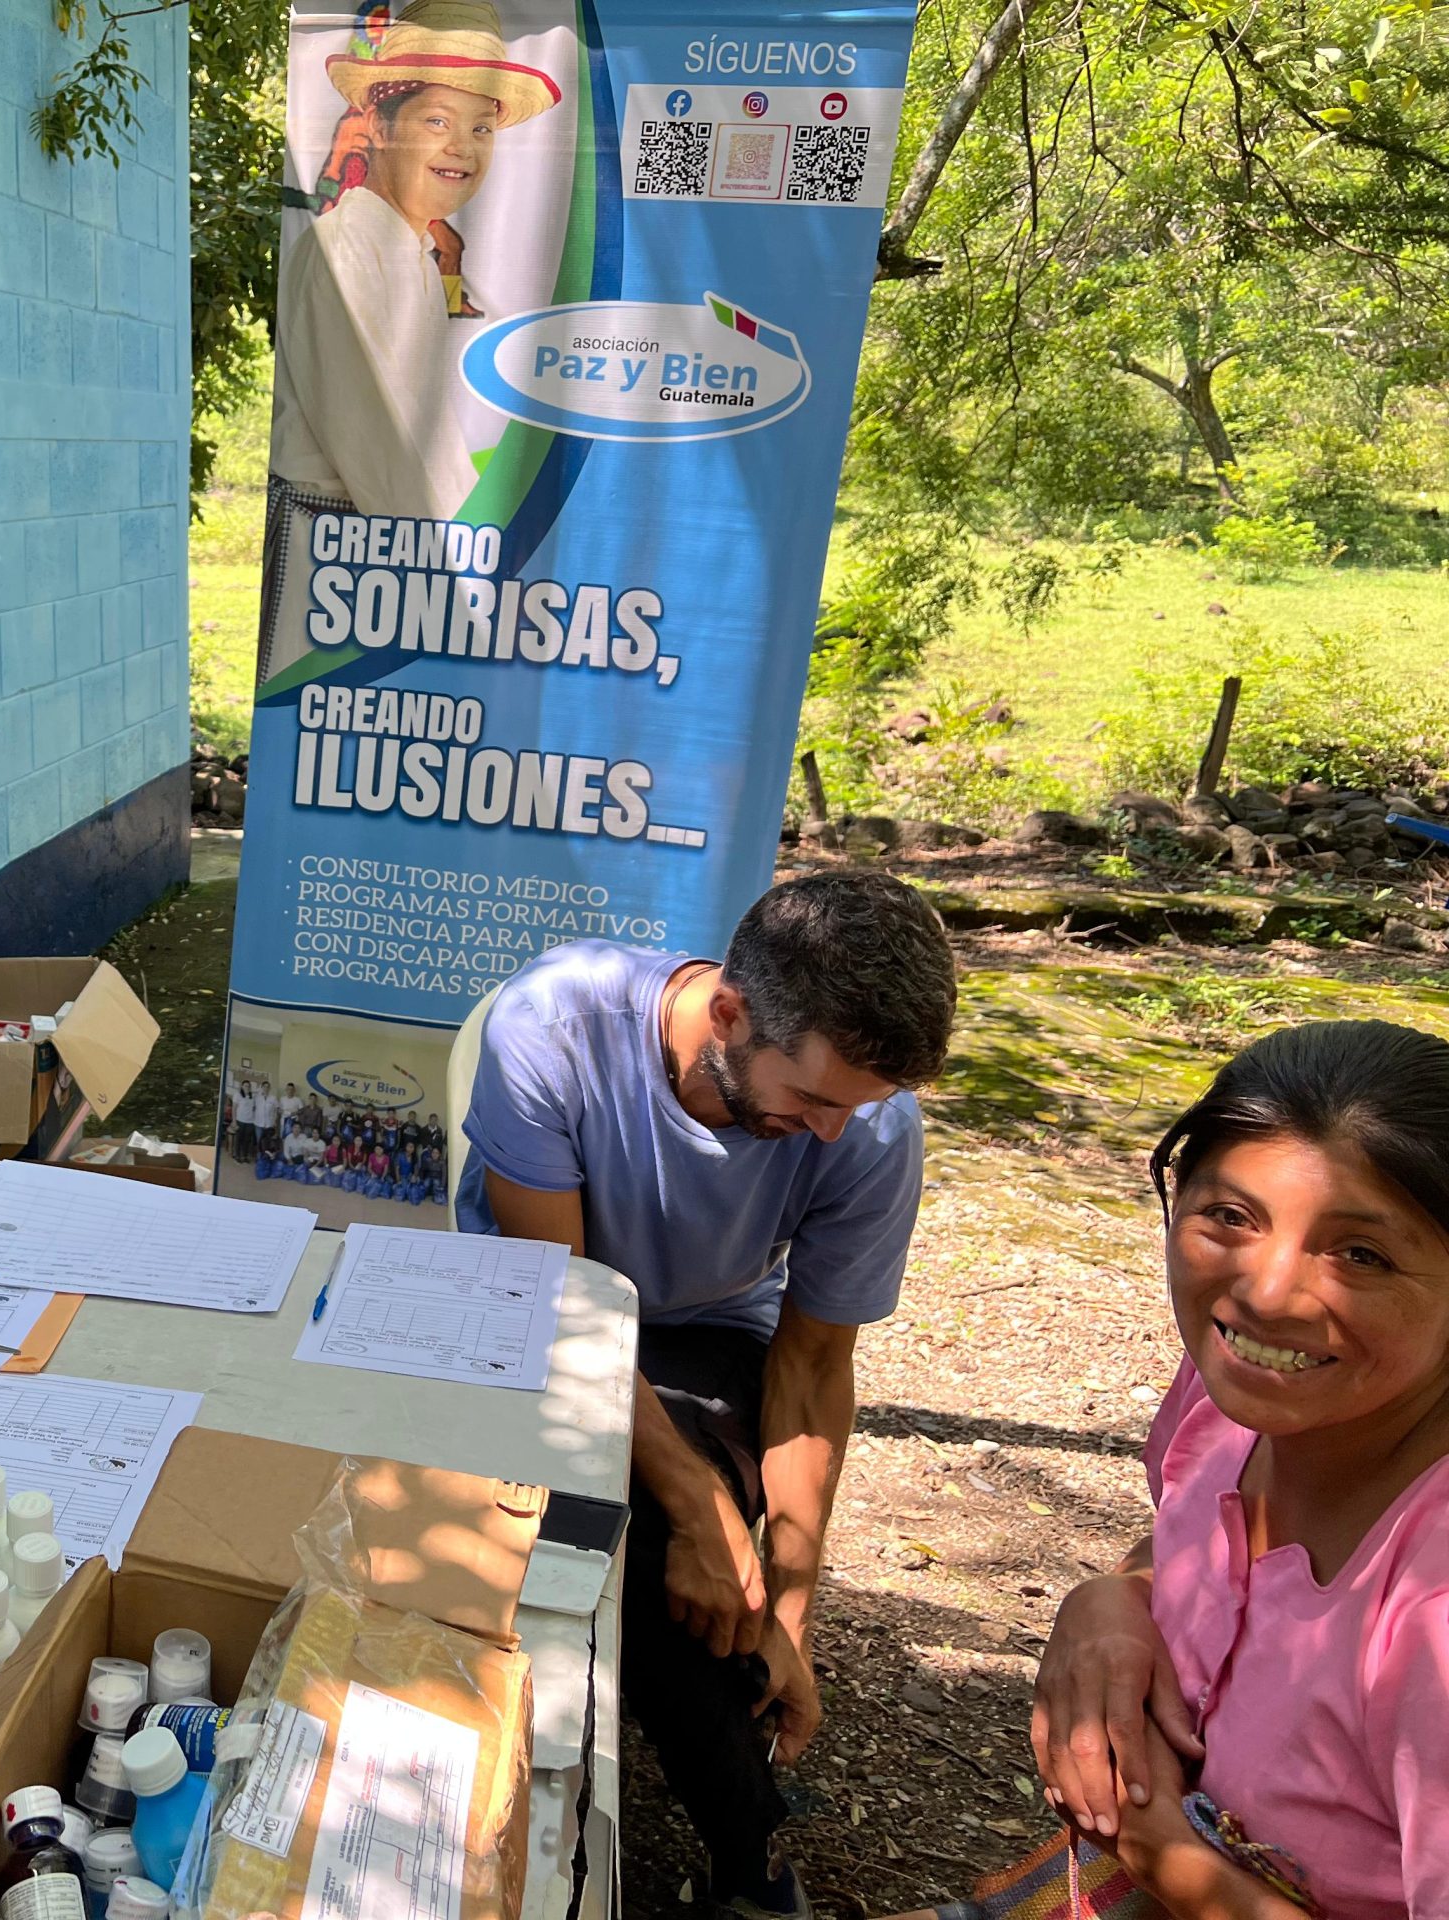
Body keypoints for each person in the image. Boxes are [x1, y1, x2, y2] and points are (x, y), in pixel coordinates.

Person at [459, 869, 958, 1920]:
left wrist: (790, 1598)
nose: (832, 1134)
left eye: (858, 1107)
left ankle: (736, 1846)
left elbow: (814, 1363)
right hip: (532, 1305)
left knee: (676, 1564)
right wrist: (696, 1505)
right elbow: (561, 1308)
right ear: (726, 1014)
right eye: (813, 1099)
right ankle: (746, 1849)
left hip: (703, 1331)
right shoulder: (552, 1023)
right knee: (634, 1529)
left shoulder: (866, 1129)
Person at [942, 1022, 1449, 1920]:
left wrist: (1159, 1850)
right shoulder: (1237, 1395)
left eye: (1360, 1254)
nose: (1264, 1293)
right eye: (1229, 1217)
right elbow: (1187, 1541)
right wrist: (1113, 1598)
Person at [259, 0, 561, 681]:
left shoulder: (411, 249)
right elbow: (389, 439)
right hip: (339, 557)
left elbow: (428, 439)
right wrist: (476, 594)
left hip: (388, 556)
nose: (462, 146)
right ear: (381, 128)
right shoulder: (350, 250)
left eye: (481, 127)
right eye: (437, 121)